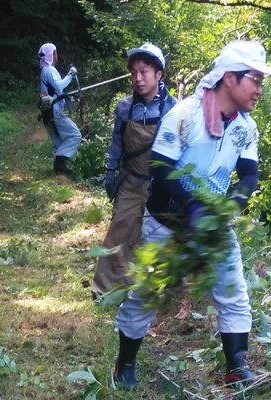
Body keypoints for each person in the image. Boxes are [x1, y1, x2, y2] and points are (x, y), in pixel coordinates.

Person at [111, 41, 271, 391]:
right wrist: (192, 205)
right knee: (147, 294)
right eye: (255, 79)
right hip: (166, 221)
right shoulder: (186, 114)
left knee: (233, 292)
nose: (260, 89)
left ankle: (237, 367)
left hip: (212, 226)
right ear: (230, 79)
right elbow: (160, 165)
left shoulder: (245, 128)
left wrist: (229, 207)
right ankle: (124, 365)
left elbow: (249, 176)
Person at [91, 44, 177, 298]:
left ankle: (159, 291)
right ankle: (107, 289)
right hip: (131, 180)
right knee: (120, 231)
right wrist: (110, 170)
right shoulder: (125, 107)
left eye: (145, 71)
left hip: (161, 185)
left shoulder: (175, 109)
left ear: (159, 74)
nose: (138, 78)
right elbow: (117, 142)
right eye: (134, 73)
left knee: (160, 235)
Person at [38, 43, 82, 174]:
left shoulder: (46, 70)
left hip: (48, 111)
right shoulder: (48, 70)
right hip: (53, 111)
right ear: (50, 55)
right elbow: (58, 86)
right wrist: (71, 74)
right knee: (75, 135)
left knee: (58, 140)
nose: (57, 56)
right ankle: (60, 162)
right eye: (55, 53)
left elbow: (54, 92)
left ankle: (59, 169)